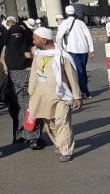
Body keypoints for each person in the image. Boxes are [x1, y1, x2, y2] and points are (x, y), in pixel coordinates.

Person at [27, 28, 82, 162]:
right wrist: (31, 95)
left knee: (62, 122)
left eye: (35, 38)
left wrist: (77, 96)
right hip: (42, 97)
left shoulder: (62, 56)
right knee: (50, 124)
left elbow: (72, 77)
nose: (33, 41)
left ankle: (65, 150)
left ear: (44, 40)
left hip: (61, 96)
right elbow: (34, 76)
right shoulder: (38, 56)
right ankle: (60, 143)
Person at [3, 16, 44, 149]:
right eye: (14, 35)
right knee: (30, 106)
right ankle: (32, 136)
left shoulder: (8, 48)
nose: (16, 38)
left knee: (24, 106)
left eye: (18, 35)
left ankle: (23, 134)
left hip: (21, 76)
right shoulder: (25, 47)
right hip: (25, 76)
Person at [55, 5, 94, 99]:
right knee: (82, 70)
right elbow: (88, 36)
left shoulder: (64, 23)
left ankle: (83, 91)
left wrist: (59, 49)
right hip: (84, 49)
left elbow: (59, 37)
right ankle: (84, 90)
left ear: (66, 14)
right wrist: (91, 49)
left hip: (72, 50)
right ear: (75, 13)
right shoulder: (81, 23)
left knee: (78, 71)